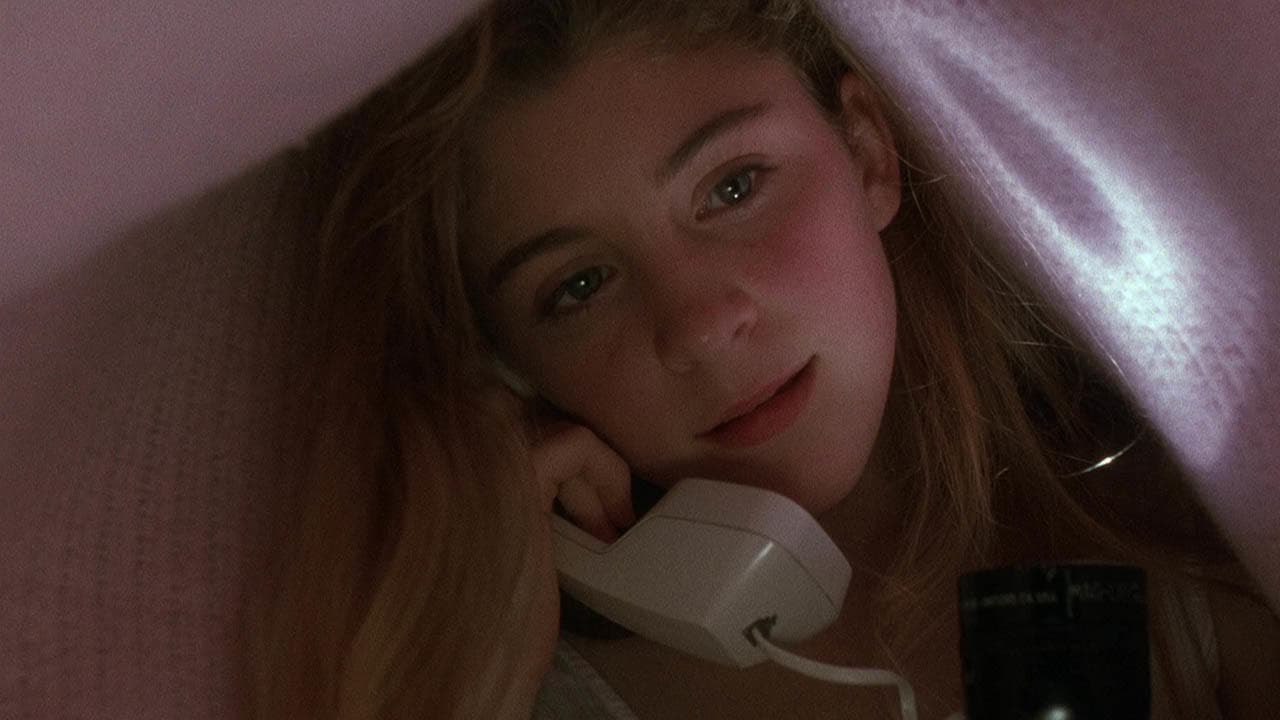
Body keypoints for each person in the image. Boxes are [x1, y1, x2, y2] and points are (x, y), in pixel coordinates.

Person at [247, 0, 1280, 718]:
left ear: (867, 153)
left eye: (732, 187)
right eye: (578, 285)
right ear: (515, 370)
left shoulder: (1192, 564)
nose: (699, 326)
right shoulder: (526, 693)